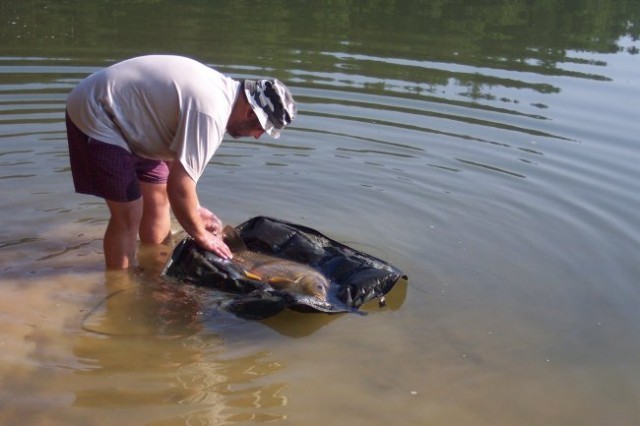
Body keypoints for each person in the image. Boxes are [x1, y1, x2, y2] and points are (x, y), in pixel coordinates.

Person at [65, 55, 297, 270]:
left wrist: (195, 210)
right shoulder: (211, 113)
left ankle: (154, 267)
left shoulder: (221, 95)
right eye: (261, 129)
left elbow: (178, 179)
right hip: (98, 110)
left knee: (158, 200)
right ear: (249, 112)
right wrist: (200, 234)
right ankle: (119, 288)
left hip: (137, 119)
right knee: (129, 214)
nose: (257, 136)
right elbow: (180, 186)